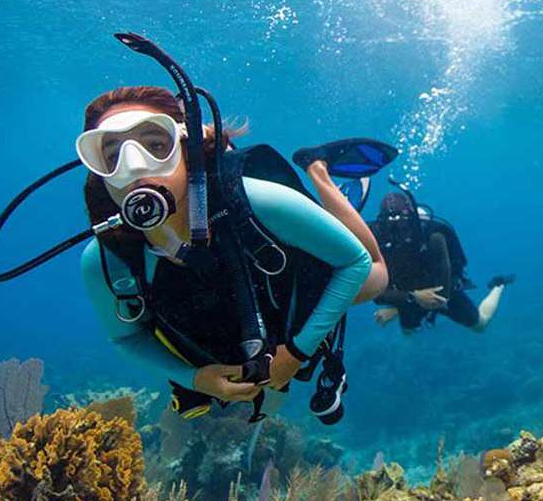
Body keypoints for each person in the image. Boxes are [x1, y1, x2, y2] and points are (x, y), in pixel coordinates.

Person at [77, 85, 394, 424]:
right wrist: (195, 379)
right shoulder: (106, 261)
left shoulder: (259, 200)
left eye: (157, 145)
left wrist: (298, 351)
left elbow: (355, 262)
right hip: (238, 318)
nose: (134, 168)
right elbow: (127, 337)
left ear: (187, 150)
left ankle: (318, 171)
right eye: (112, 156)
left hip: (292, 287)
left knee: (376, 276)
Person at [369, 189, 512, 333]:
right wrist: (411, 298)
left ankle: (498, 285)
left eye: (401, 224)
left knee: (480, 324)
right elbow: (374, 292)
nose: (396, 231)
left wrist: (398, 308)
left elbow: (442, 294)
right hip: (410, 294)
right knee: (408, 332)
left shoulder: (434, 236)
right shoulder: (376, 237)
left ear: (412, 219)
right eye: (390, 226)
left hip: (442, 289)